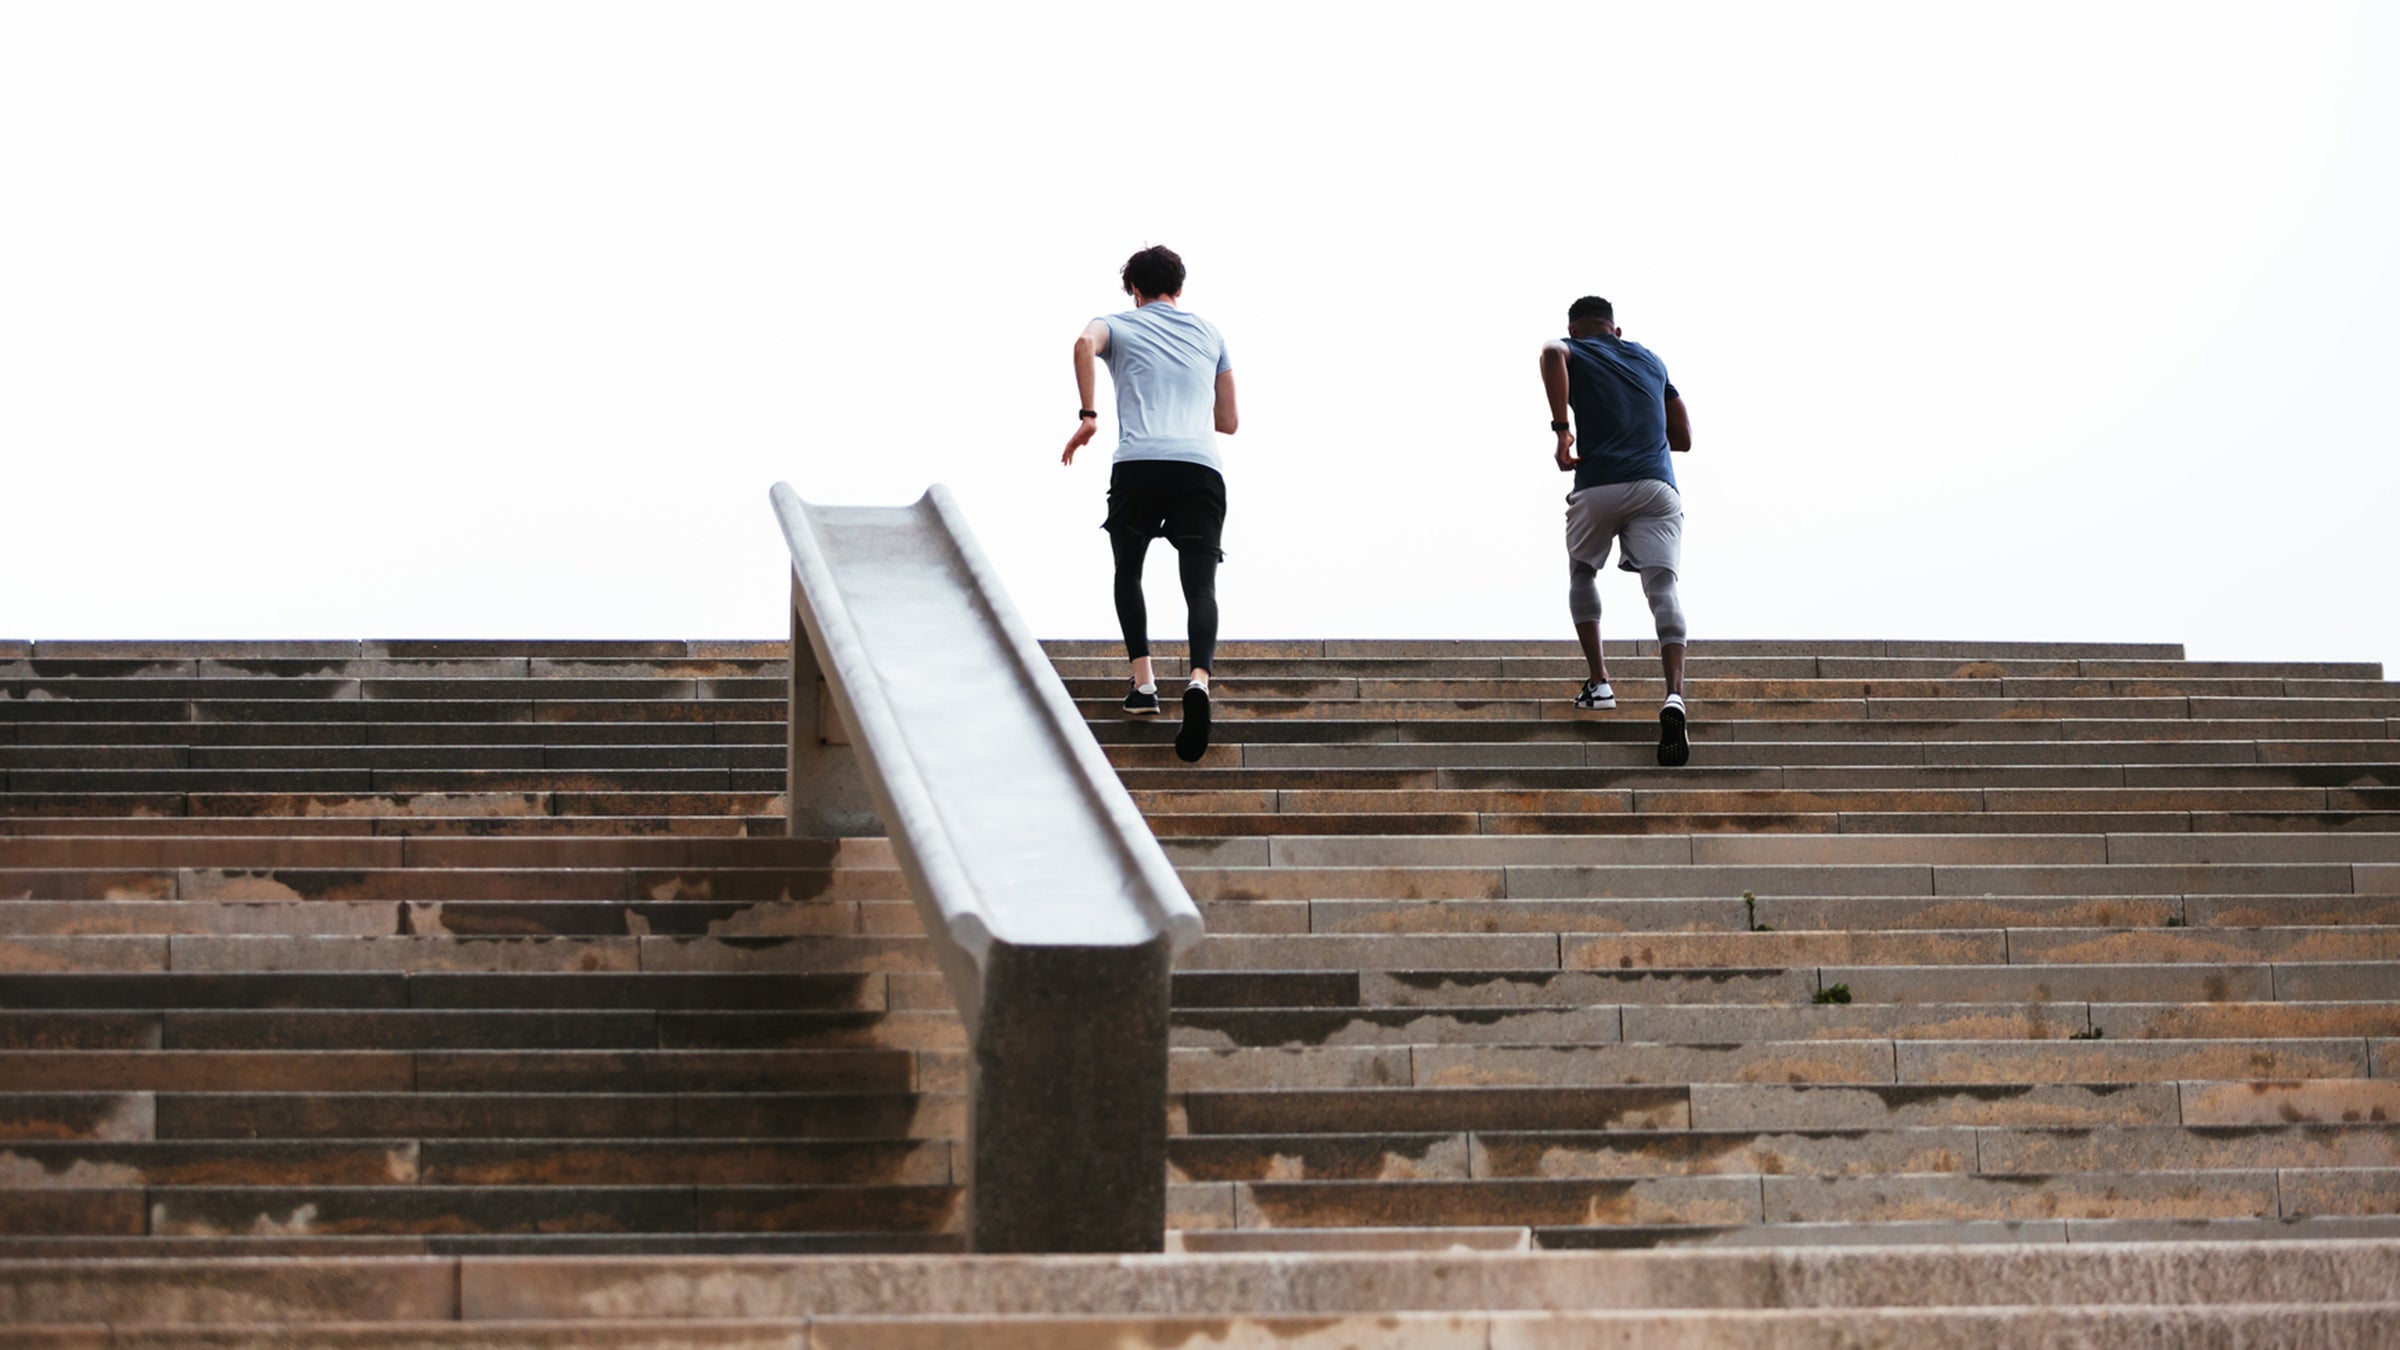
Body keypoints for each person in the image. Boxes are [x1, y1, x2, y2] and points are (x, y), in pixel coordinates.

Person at [1061, 245, 1239, 764]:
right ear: (1178, 289)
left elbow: (1080, 343)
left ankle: (1144, 684)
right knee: (1200, 585)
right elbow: (1228, 421)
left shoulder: (1116, 324)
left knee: (1128, 571)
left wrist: (1089, 415)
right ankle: (1200, 682)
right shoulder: (1211, 335)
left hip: (1138, 463)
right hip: (1200, 467)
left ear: (1134, 290)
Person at [1540, 295, 1694, 766]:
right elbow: (1684, 438)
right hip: (1655, 486)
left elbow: (1549, 354)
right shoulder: (1651, 360)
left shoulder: (1574, 348)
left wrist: (1563, 429)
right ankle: (1673, 695)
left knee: (1583, 572)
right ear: (1616, 330)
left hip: (1599, 482)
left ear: (1576, 330)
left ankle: (1600, 683)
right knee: (1663, 586)